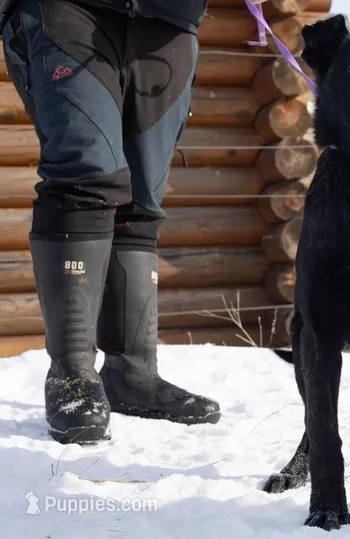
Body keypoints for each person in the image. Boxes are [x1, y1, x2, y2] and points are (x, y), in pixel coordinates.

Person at [0, 0, 221, 445]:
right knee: (86, 174)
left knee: (142, 199)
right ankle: (71, 376)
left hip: (170, 22)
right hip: (68, 9)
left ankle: (132, 374)